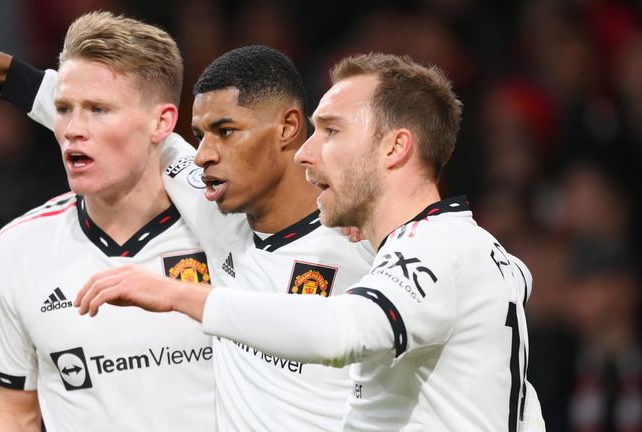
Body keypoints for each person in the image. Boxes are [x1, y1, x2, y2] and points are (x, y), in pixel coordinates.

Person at [74, 53, 547, 431]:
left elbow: (346, 331)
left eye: (332, 131)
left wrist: (180, 295)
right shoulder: (455, 248)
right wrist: (15, 77)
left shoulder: (437, 250)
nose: (305, 150)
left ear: (395, 147)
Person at [0, 36, 373, 430]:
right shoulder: (214, 211)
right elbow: (121, 124)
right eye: (201, 135)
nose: (203, 155)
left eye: (224, 132)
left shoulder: (371, 247)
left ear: (288, 128)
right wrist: (5, 71)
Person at [0, 12, 215, 431]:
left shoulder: (228, 230)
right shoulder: (19, 249)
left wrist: (5, 69)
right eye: (63, 109)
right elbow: (13, 415)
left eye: (99, 110)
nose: (72, 130)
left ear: (163, 122)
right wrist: (5, 70)